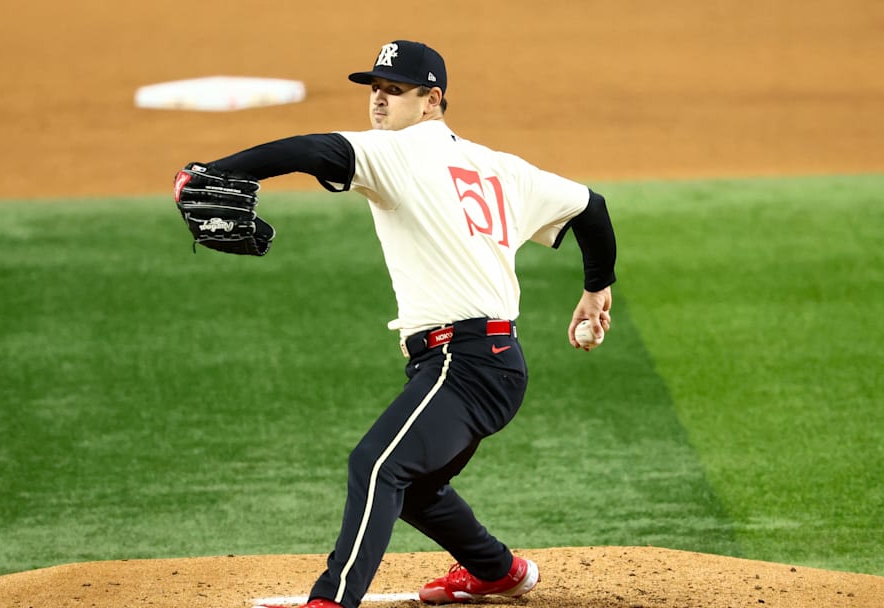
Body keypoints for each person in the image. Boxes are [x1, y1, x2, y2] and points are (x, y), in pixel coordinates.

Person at [177, 40, 616, 608]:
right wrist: (595, 288)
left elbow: (312, 149)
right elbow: (592, 207)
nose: (378, 102)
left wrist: (217, 172)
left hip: (467, 362)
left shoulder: (399, 153)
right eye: (375, 89)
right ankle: (497, 570)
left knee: (377, 464)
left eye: (394, 90)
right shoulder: (500, 168)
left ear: (432, 100)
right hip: (484, 362)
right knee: (414, 485)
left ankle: (332, 600)